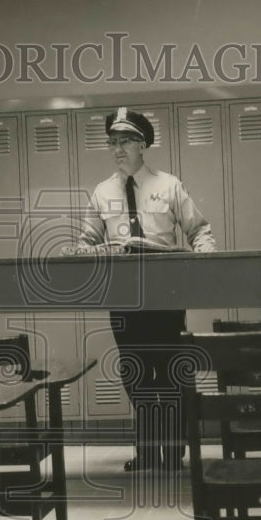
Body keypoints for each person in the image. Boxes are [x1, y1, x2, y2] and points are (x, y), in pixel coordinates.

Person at [77, 107, 216, 471]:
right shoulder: (102, 191)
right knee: (135, 371)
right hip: (122, 297)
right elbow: (89, 237)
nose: (117, 149)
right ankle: (147, 450)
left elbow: (199, 229)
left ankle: (172, 451)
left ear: (143, 145)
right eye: (113, 142)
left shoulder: (169, 186)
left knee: (169, 369)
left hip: (165, 295)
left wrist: (206, 258)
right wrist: (83, 248)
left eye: (125, 141)